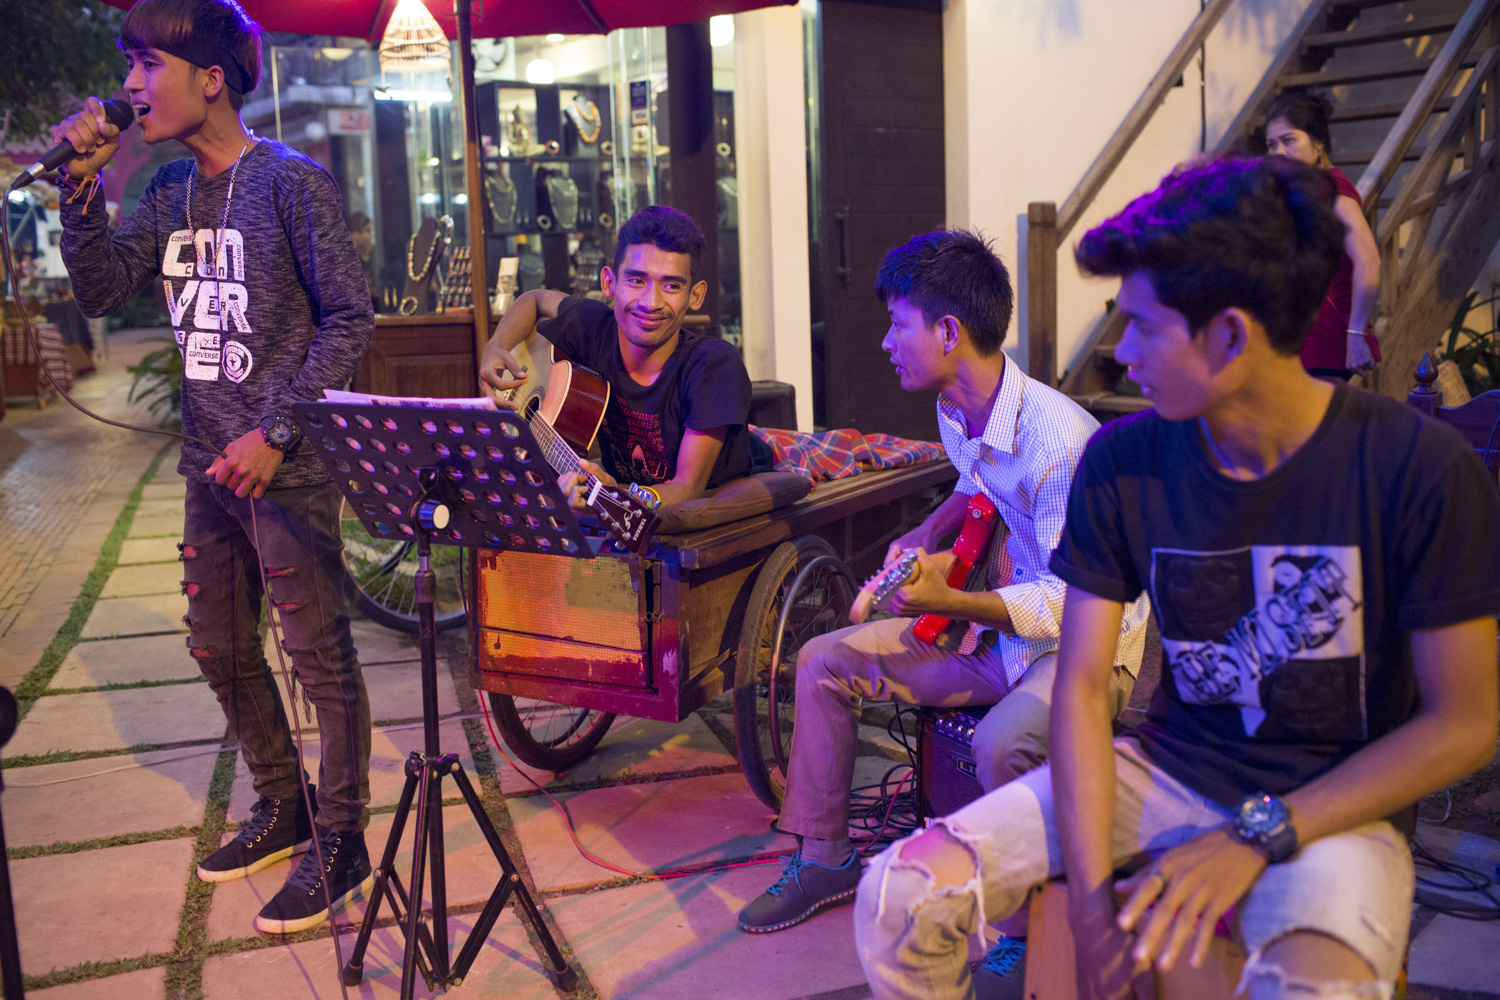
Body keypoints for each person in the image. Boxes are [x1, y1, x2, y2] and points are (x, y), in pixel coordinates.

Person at [852, 157, 1500, 1000]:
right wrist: (1089, 899)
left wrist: (1259, 835)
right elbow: (1084, 688)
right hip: (1166, 771)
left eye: (1143, 327)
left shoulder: (1413, 466)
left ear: (1229, 334)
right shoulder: (1124, 462)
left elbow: (1467, 721)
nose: (1120, 354)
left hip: (1336, 807)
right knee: (899, 896)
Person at [736, 232, 1151, 973]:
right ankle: (828, 858)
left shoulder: (1063, 446)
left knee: (1001, 743)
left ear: (949, 332)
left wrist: (955, 597)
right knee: (823, 661)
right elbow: (977, 485)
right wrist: (925, 531)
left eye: (899, 322)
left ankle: (1026, 935)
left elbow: (1073, 601)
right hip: (997, 628)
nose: (887, 340)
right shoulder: (958, 409)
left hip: (1080, 647)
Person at [53, 0, 376, 935]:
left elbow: (349, 319)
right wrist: (81, 194)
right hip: (208, 467)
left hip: (288, 466)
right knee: (218, 646)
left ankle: (344, 833)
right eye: (128, 66)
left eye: (146, 63)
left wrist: (274, 430)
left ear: (210, 77)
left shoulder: (291, 184)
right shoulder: (163, 190)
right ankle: (285, 803)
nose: (129, 85)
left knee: (319, 657)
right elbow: (105, 288)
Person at [478, 205, 772, 506]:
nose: (651, 302)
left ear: (695, 295)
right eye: (636, 280)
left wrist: (617, 495)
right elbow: (534, 299)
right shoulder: (593, 327)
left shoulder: (712, 364)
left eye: (671, 285)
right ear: (609, 282)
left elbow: (687, 487)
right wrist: (494, 348)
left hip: (718, 508)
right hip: (629, 485)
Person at [1265, 90, 1381, 381]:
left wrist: (1356, 335)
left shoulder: (1335, 190)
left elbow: (1369, 260)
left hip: (1328, 341)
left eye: (1289, 140)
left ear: (1318, 143)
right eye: (1271, 144)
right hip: (1303, 338)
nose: (1278, 152)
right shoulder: (1308, 189)